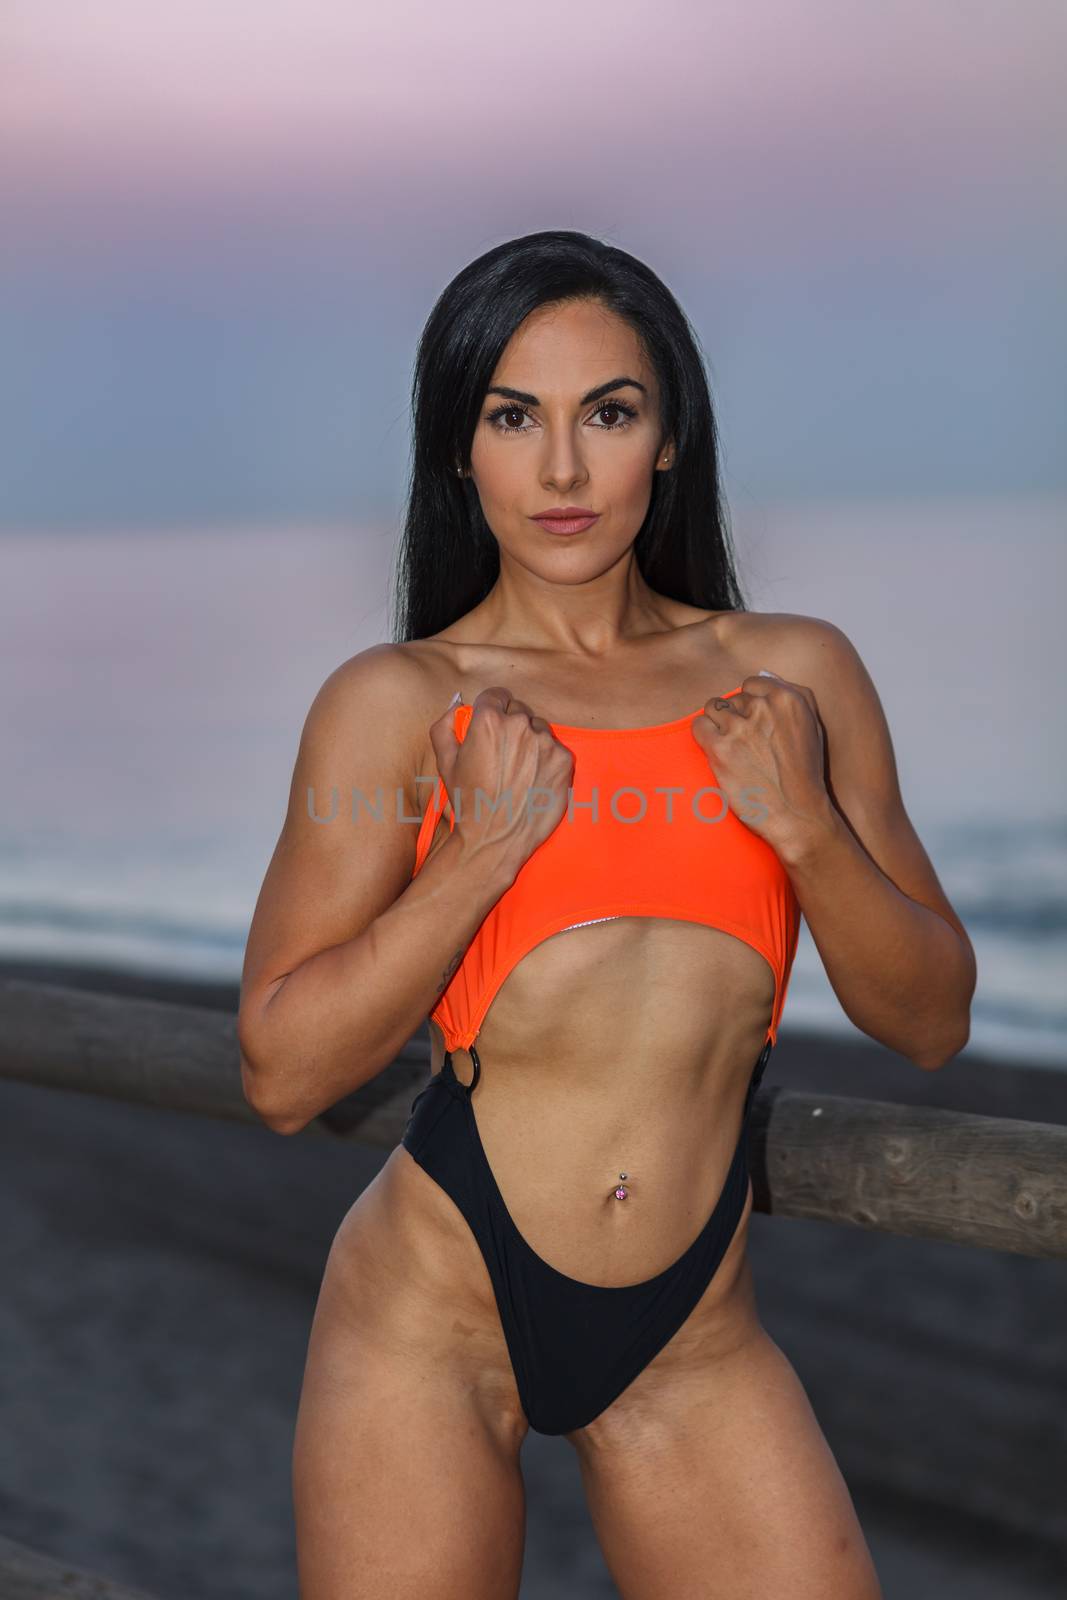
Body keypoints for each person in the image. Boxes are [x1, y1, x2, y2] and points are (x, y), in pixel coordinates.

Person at [238, 231, 975, 1599]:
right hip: (428, 1325)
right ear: (459, 451)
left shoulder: (794, 680)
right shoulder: (396, 702)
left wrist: (805, 826)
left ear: (671, 440)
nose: (565, 472)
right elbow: (283, 1072)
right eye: (514, 418)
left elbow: (929, 1019)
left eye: (609, 415)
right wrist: (474, 859)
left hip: (693, 1340)